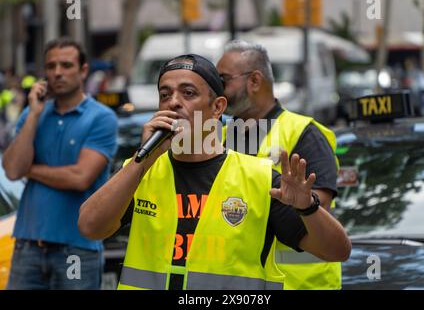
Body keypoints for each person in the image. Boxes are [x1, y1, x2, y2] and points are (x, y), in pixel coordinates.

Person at [78, 53, 351, 290]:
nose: (173, 102)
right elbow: (90, 227)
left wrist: (307, 208)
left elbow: (337, 250)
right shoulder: (141, 170)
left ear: (218, 107)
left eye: (188, 93)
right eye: (165, 94)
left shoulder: (258, 177)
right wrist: (141, 161)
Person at [216, 40, 341, 290]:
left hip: (299, 285)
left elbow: (318, 208)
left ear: (254, 80)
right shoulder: (220, 137)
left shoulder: (303, 133)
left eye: (223, 80)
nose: (217, 89)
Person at [2, 38, 118, 290]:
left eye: (66, 65)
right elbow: (12, 170)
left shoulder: (102, 118)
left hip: (76, 250)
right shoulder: (33, 113)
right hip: (27, 246)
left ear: (83, 70)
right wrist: (33, 114)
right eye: (51, 66)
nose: (57, 72)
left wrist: (30, 170)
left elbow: (79, 178)